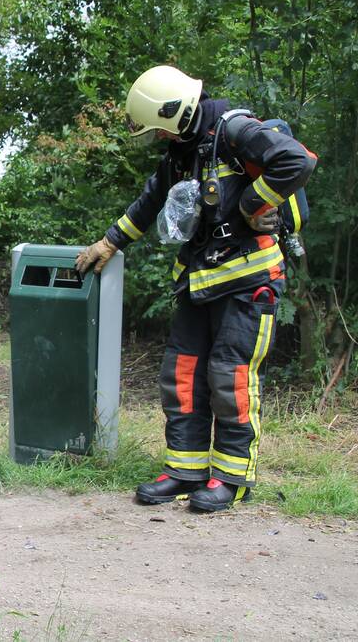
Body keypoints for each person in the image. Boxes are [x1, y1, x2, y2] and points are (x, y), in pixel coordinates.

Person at [76, 65, 316, 512]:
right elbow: (151, 200)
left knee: (230, 377)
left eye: (161, 130)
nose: (161, 139)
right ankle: (185, 470)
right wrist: (111, 241)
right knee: (182, 375)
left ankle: (231, 478)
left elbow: (297, 160)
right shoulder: (184, 151)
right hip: (198, 280)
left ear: (178, 112)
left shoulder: (238, 132)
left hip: (249, 281)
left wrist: (252, 202)